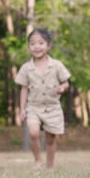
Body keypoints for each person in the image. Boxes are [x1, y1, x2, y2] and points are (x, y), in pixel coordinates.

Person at [15, 28, 71, 170]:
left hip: (52, 107)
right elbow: (24, 89)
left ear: (48, 45)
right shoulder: (26, 68)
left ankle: (50, 166)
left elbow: (66, 82)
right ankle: (38, 160)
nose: (37, 46)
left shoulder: (57, 65)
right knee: (33, 133)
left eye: (41, 43)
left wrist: (62, 88)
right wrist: (22, 109)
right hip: (33, 106)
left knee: (51, 138)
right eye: (33, 43)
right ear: (29, 47)